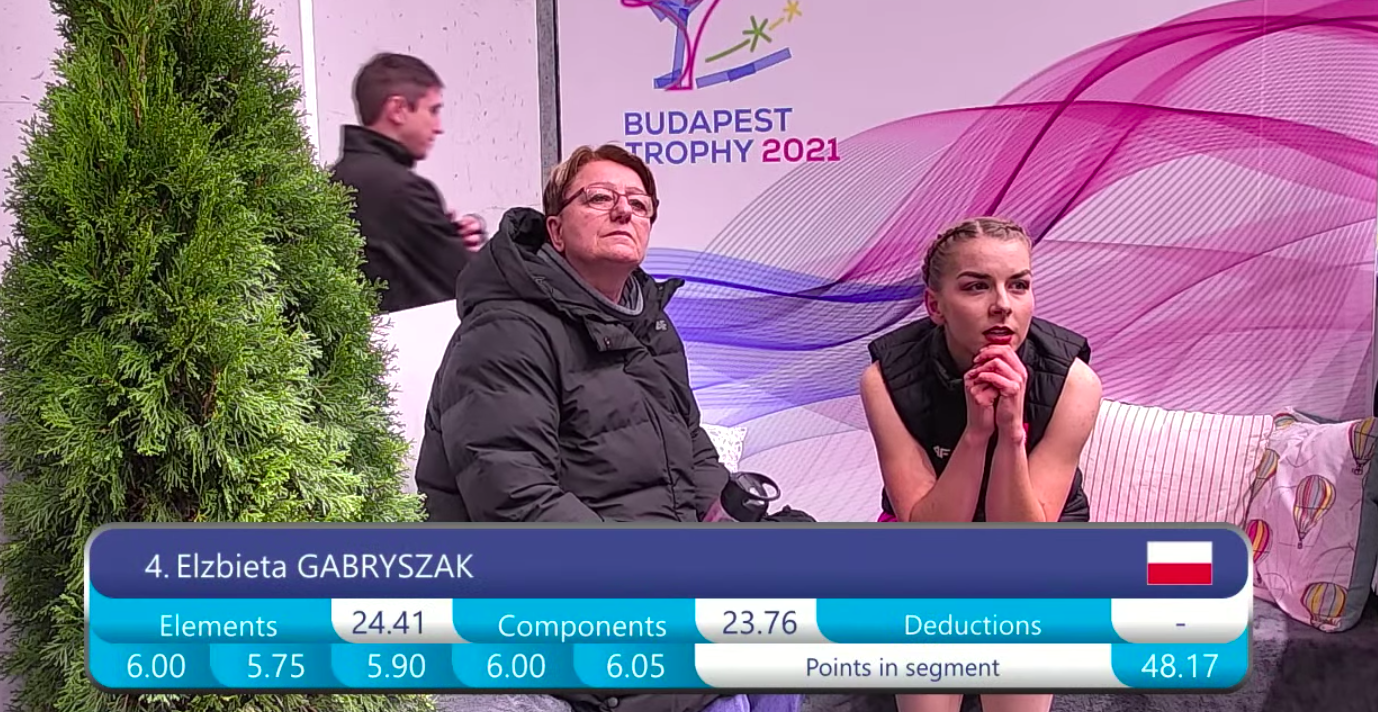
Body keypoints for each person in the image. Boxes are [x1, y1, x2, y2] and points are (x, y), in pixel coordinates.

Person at [414, 143, 806, 712]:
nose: (624, 211)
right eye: (599, 198)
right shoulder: (505, 333)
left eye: (639, 204)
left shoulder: (650, 326)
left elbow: (694, 455)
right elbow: (517, 502)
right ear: (555, 230)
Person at [859, 217, 1103, 712]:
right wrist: (976, 433)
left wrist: (1011, 434)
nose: (1003, 305)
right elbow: (928, 531)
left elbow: (1026, 543)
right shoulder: (886, 379)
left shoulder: (1075, 383)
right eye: (976, 287)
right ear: (935, 306)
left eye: (1019, 285)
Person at [330, 52, 485, 313]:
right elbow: (474, 283)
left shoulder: (336, 180)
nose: (439, 127)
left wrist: (445, 233)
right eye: (433, 110)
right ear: (398, 110)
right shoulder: (402, 191)